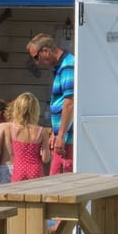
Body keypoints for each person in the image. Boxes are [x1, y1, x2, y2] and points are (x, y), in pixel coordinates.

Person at [27, 33, 75, 174]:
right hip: (62, 137)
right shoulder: (61, 67)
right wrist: (55, 133)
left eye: (36, 57)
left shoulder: (67, 66)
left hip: (68, 140)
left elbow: (69, 103)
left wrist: (61, 135)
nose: (37, 62)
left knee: (61, 184)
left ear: (46, 50)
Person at [0, 92, 50, 183]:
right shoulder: (42, 131)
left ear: (17, 109)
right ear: (36, 110)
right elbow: (45, 159)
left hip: (15, 169)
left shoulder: (10, 129)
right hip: (35, 170)